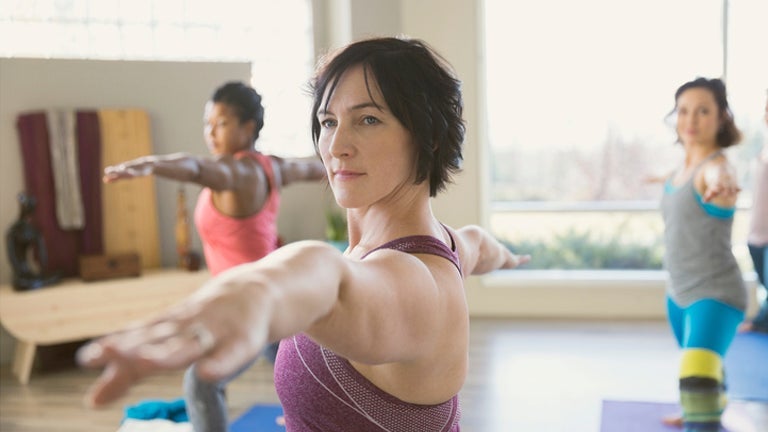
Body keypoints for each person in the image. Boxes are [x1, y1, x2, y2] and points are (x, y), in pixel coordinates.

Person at [78, 36, 530, 431]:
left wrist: (259, 289)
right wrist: (508, 257)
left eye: (368, 119)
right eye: (329, 121)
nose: (335, 146)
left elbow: (330, 281)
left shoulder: (416, 285)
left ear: (429, 136)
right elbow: (480, 245)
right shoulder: (449, 243)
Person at [101, 81, 326, 431]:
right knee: (294, 372)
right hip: (270, 296)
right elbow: (315, 169)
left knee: (202, 381)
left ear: (247, 128)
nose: (210, 133)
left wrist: (149, 165)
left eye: (220, 123)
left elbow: (193, 167)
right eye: (207, 124)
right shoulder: (273, 167)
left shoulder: (236, 172)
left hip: (249, 303)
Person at [659, 77, 747, 431]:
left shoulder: (716, 167)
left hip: (715, 295)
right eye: (683, 111)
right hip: (678, 295)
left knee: (697, 395)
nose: (691, 120)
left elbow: (718, 172)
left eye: (703, 111)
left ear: (722, 117)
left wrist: (720, 180)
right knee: (702, 374)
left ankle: (703, 412)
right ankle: (709, 398)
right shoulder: (678, 172)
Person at [739, 93, 768, 333]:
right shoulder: (762, 148)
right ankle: (761, 321)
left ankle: (760, 321)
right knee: (763, 284)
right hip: (756, 230)